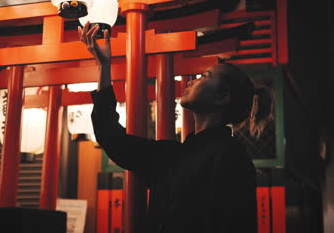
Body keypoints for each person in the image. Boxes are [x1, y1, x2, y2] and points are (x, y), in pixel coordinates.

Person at [78, 22, 274, 233]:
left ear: (222, 97)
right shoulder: (174, 154)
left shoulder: (231, 156)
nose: (192, 81)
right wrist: (103, 67)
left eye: (204, 76)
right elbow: (112, 138)